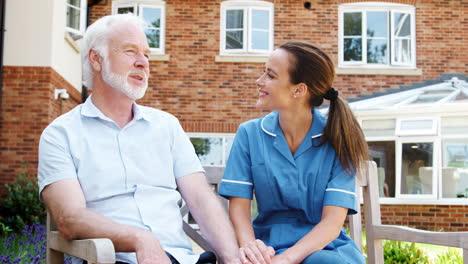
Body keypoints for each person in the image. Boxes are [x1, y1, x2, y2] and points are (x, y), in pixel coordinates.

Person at [38, 14, 241, 264]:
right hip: (113, 260)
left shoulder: (167, 126)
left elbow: (200, 199)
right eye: (131, 51)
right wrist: (139, 239)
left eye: (146, 54)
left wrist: (233, 258)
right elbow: (70, 218)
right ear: (96, 59)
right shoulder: (61, 134)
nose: (143, 62)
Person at [218, 42, 368, 264]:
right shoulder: (249, 134)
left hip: (322, 247)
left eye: (270, 75)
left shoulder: (339, 139)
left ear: (299, 89)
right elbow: (239, 209)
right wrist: (251, 248)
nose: (259, 81)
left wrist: (286, 260)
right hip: (266, 246)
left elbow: (332, 223)